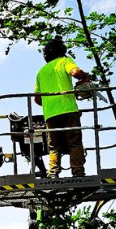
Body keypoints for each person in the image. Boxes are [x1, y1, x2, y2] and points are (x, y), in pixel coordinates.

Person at [32, 37, 92, 178]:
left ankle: (53, 173)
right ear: (62, 51)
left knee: (54, 147)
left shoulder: (41, 72)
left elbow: (37, 99)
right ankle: (78, 172)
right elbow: (75, 72)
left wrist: (50, 102)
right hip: (68, 110)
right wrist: (85, 77)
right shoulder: (65, 61)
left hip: (51, 115)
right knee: (74, 143)